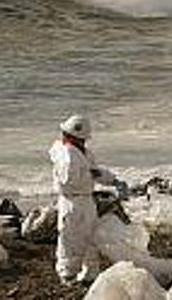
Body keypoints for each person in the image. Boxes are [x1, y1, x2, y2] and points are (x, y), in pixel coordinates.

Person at [48, 114, 129, 286]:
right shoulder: (66, 155)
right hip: (72, 202)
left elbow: (95, 171)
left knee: (91, 237)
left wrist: (113, 181)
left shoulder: (82, 153)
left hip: (86, 200)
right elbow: (68, 181)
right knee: (70, 239)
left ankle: (90, 273)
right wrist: (90, 174)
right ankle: (67, 274)